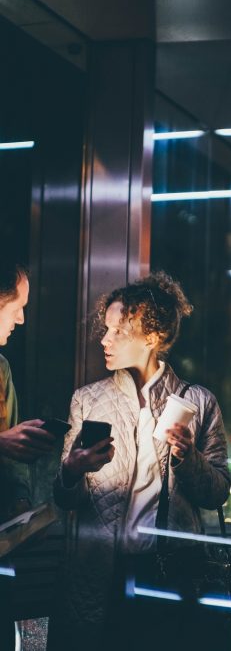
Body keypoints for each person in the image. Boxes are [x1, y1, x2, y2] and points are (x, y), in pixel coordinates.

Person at [48, 271, 231, 651]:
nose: (105, 339)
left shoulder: (198, 402)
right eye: (107, 328)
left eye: (118, 330)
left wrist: (188, 457)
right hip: (101, 570)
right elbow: (66, 499)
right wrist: (72, 470)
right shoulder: (88, 399)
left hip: (172, 572)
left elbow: (217, 492)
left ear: (152, 338)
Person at [0, 256, 56, 649]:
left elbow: (10, 462)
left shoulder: (1, 370)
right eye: (17, 308)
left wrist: (23, 509)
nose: (20, 321)